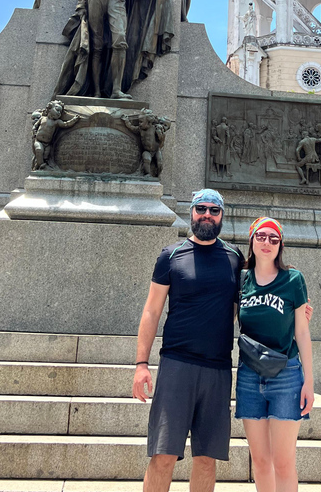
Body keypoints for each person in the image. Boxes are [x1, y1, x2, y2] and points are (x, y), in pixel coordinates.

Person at [133, 188, 244, 492]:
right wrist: (141, 364)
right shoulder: (170, 255)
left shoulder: (235, 257)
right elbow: (151, 311)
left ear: (222, 216)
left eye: (214, 210)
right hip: (177, 365)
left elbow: (244, 305)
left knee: (206, 459)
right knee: (163, 455)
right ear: (191, 212)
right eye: (201, 209)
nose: (207, 214)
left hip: (218, 369)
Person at [235, 216, 314, 492]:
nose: (266, 242)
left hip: (286, 375)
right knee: (260, 461)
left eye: (273, 238)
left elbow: (302, 332)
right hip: (249, 375)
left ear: (280, 245)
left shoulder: (293, 280)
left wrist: (309, 381)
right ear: (252, 241)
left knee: (283, 462)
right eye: (261, 236)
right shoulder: (241, 280)